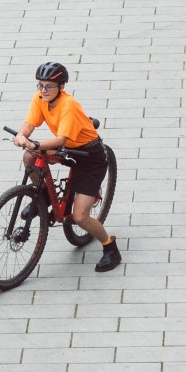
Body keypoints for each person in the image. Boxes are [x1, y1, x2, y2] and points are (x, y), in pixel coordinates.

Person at [12, 62, 121, 272]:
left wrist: (35, 143)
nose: (43, 90)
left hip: (90, 156)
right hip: (69, 148)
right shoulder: (40, 98)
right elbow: (30, 124)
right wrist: (21, 135)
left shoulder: (68, 105)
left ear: (61, 87)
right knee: (29, 157)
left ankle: (110, 247)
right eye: (40, 85)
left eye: (49, 86)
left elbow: (60, 140)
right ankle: (43, 196)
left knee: (80, 217)